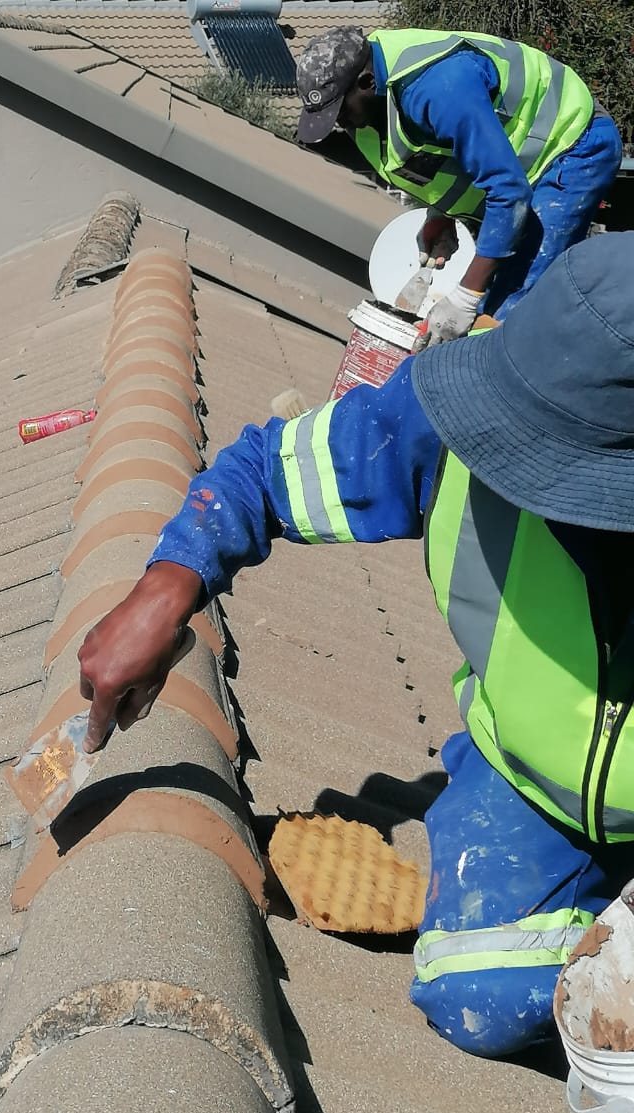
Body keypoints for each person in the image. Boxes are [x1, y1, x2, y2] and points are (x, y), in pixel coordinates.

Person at [77, 231, 634, 1060]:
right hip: (527, 783)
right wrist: (168, 585)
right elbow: (270, 471)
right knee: (477, 992)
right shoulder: (471, 410)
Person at [294, 26, 622, 346]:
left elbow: (509, 193)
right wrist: (441, 213)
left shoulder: (437, 88)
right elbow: (447, 151)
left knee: (507, 313)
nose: (338, 123)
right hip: (522, 170)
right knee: (487, 311)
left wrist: (465, 297)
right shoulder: (374, 86)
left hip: (573, 142)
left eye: (339, 110)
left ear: (366, 83)